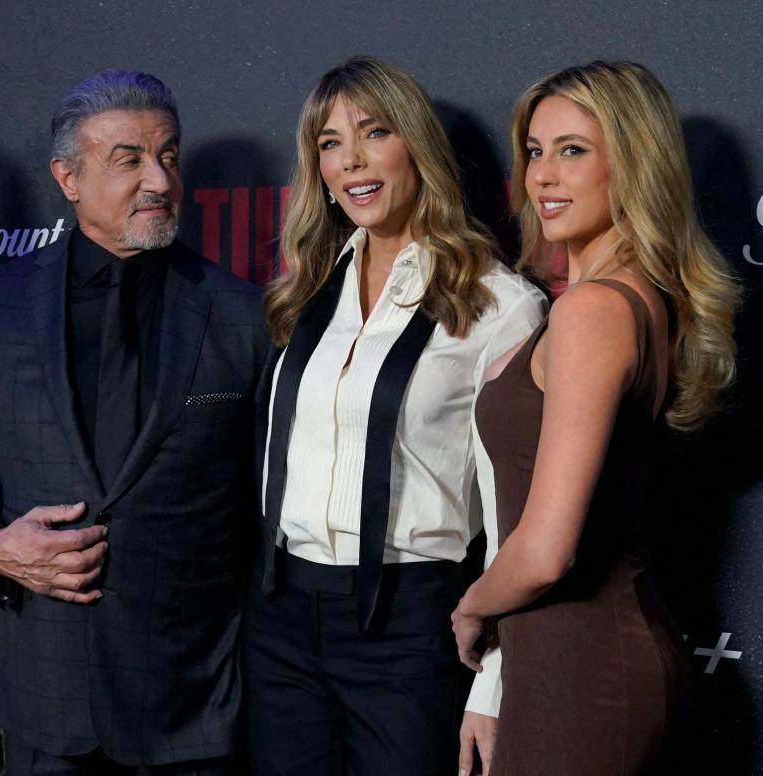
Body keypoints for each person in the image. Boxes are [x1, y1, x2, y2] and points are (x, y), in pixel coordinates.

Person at [0, 70, 265, 776]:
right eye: (128, 159)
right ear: (67, 178)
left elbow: (264, 510)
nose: (158, 180)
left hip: (194, 704)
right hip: (47, 695)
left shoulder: (241, 314)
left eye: (168, 155)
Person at [245, 56, 546, 776]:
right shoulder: (308, 291)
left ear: (414, 144)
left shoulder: (499, 305)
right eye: (328, 142)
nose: (350, 161)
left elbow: (516, 516)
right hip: (281, 613)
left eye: (373, 133)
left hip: (413, 621)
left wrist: (495, 684)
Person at [452, 60, 740, 774]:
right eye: (533, 151)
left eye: (572, 151)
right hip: (584, 660)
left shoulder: (592, 311)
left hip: (581, 671)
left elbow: (546, 550)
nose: (542, 175)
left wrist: (471, 606)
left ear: (633, 165)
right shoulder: (631, 299)